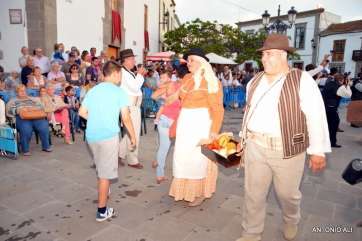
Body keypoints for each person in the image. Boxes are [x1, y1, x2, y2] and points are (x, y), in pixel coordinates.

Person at [235, 34, 331, 241]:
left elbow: (315, 116)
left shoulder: (302, 80)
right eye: (263, 55)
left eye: (269, 54)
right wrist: (242, 140)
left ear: (283, 55)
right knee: (253, 194)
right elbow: (248, 112)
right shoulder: (255, 81)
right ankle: (251, 233)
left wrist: (317, 151)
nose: (264, 59)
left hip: (286, 149)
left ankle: (291, 218)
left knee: (288, 195)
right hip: (255, 146)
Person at [78, 60, 136, 222]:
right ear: (116, 74)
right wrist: (133, 137)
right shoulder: (119, 92)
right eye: (121, 75)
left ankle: (105, 189)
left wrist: (96, 119)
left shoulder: (93, 90)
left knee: (101, 166)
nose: (121, 79)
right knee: (105, 175)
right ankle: (102, 211)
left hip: (91, 136)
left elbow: (82, 112)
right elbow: (126, 118)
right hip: (108, 136)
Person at [169, 48, 224, 207]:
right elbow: (180, 99)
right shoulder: (186, 77)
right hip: (185, 124)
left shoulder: (213, 82)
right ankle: (186, 191)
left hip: (201, 125)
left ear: (202, 63)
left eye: (192, 60)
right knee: (182, 159)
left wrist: (213, 132)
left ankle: (200, 193)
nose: (189, 63)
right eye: (188, 60)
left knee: (198, 161)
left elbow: (218, 109)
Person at [118, 49, 147, 169]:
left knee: (129, 133)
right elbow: (135, 87)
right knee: (133, 133)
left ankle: (119, 154)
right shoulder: (123, 72)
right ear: (125, 61)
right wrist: (140, 74)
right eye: (131, 59)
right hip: (129, 107)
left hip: (133, 106)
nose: (134, 61)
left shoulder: (128, 72)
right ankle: (132, 160)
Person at [151, 69, 181, 184]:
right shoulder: (178, 86)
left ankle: (157, 163)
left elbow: (154, 96)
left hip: (169, 120)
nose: (161, 80)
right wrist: (164, 98)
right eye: (160, 78)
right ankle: (159, 174)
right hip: (168, 120)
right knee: (165, 147)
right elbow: (154, 96)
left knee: (164, 146)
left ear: (169, 77)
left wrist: (163, 97)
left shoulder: (169, 85)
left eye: (163, 78)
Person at [6, 84, 52, 155]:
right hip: (22, 118)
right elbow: (8, 111)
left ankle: (46, 146)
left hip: (36, 116)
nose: (23, 92)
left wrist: (33, 109)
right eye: (20, 91)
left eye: (24, 91)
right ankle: (25, 149)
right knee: (26, 129)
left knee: (44, 126)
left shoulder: (33, 99)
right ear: (16, 92)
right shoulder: (13, 101)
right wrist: (18, 110)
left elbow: (42, 107)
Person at [322, 73, 352, 147]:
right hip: (331, 107)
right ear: (341, 80)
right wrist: (347, 85)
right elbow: (348, 95)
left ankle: (325, 142)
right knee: (334, 125)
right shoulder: (339, 87)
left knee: (327, 125)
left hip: (325, 106)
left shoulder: (329, 83)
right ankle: (332, 142)